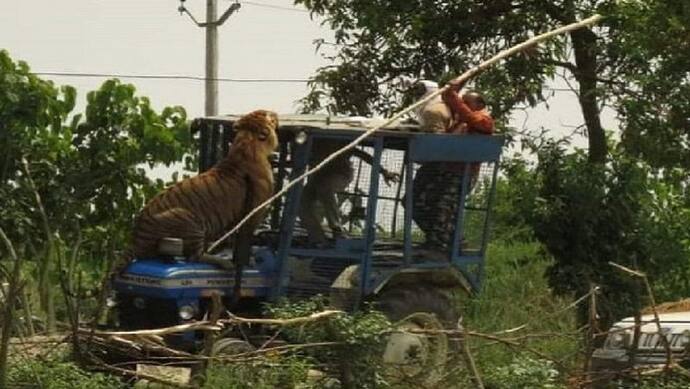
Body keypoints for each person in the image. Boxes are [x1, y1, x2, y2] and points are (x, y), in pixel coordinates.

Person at [411, 80, 495, 251]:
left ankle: (439, 246)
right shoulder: (459, 123)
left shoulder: (484, 120)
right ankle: (447, 240)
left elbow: (468, 115)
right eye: (462, 101)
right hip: (446, 170)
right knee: (419, 204)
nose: (462, 105)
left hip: (462, 174)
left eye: (467, 102)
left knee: (444, 208)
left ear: (479, 104)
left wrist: (452, 95)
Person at [299, 139, 399, 248]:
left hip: (340, 174)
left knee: (325, 188)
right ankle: (317, 238)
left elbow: (364, 156)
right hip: (317, 177)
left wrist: (383, 171)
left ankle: (337, 229)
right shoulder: (312, 141)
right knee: (300, 200)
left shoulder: (339, 140)